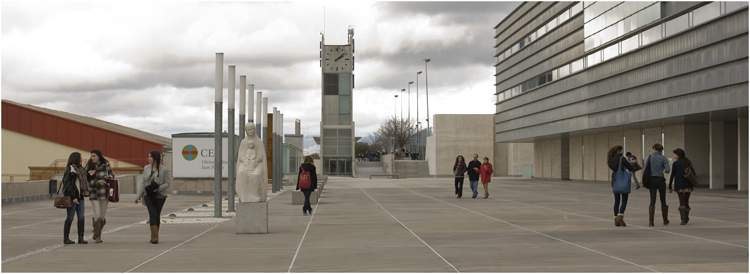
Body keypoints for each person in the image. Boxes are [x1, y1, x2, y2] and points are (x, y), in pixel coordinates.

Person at [136, 151, 169, 244]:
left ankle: (155, 236)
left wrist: (158, 188)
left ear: (155, 158)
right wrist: (138, 195)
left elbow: (167, 183)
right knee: (152, 213)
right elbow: (143, 182)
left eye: (150, 157)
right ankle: (154, 237)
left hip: (160, 196)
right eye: (148, 156)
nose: (148, 158)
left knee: (156, 215)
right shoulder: (146, 168)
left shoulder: (164, 169)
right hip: (148, 195)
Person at [86, 149, 114, 243]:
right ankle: (96, 235)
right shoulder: (89, 165)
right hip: (93, 192)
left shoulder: (106, 164)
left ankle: (97, 235)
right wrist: (93, 179)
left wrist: (104, 180)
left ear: (99, 156)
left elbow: (111, 176)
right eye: (91, 156)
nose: (92, 157)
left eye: (94, 156)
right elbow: (85, 178)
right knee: (97, 214)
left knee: (102, 216)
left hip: (103, 192)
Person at [61, 152, 89, 244]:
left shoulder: (81, 169)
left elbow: (83, 181)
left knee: (81, 217)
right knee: (70, 217)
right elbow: (68, 185)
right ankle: (66, 238)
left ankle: (81, 238)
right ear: (76, 158)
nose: (81, 159)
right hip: (72, 197)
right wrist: (73, 197)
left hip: (80, 197)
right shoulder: (70, 169)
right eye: (80, 158)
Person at [607, 145, 638, 227]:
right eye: (621, 150)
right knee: (624, 200)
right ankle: (620, 217)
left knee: (616, 201)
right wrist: (633, 164)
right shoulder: (622, 158)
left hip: (615, 181)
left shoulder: (611, 159)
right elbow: (631, 168)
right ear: (619, 151)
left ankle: (616, 219)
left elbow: (616, 169)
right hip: (623, 182)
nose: (622, 152)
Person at [643, 143, 671, 226]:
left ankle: (651, 222)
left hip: (651, 180)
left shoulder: (649, 157)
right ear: (661, 150)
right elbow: (667, 170)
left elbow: (646, 168)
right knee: (663, 200)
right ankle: (665, 220)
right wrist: (662, 170)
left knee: (652, 201)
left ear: (654, 148)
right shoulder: (663, 158)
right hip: (660, 180)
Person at [669, 148, 696, 225]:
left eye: (674, 154)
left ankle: (683, 219)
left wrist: (670, 185)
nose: (673, 155)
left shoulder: (676, 164)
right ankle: (686, 217)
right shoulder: (688, 162)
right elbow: (693, 173)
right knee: (686, 201)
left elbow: (672, 175)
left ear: (678, 155)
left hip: (679, 185)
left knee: (681, 202)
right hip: (688, 184)